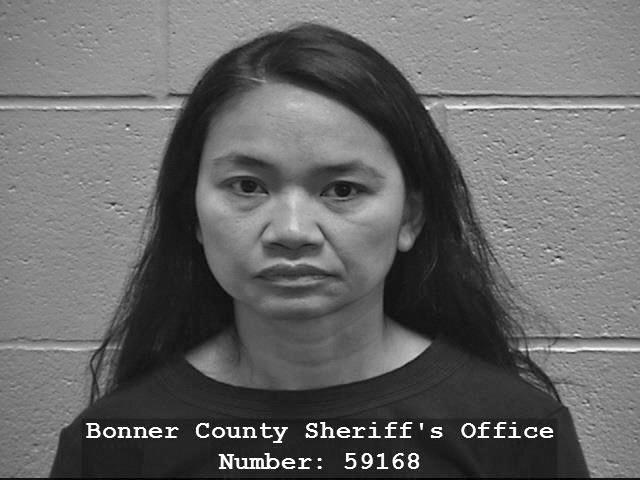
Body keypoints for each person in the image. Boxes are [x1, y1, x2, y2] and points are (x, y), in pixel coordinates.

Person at [50, 23, 589, 477]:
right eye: (247, 186)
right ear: (191, 212)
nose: (291, 231)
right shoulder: (115, 444)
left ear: (409, 217)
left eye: (342, 190)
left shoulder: (515, 432)